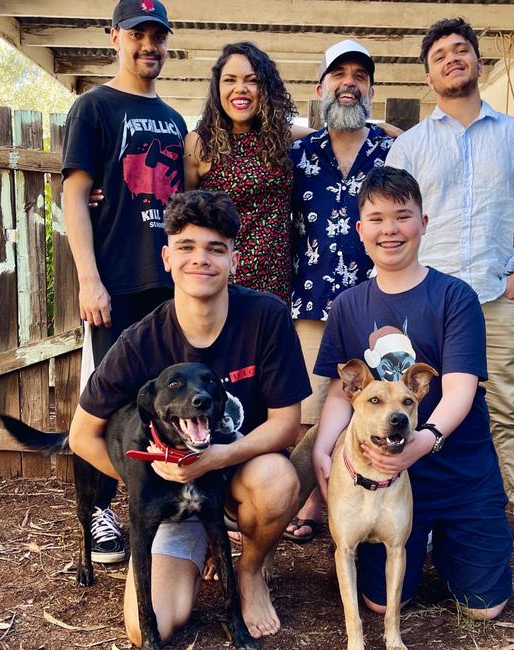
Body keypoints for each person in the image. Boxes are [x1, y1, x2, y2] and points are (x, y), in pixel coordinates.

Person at [385, 17, 514, 569]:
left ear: (478, 62)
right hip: (427, 300)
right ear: (428, 76)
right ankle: (420, 517)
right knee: (419, 407)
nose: (452, 59)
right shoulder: (410, 146)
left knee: (507, 409)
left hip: (493, 297)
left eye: (461, 51)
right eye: (440, 56)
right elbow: (390, 219)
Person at [68, 190, 311, 644]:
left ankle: (250, 572)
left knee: (278, 481)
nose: (201, 259)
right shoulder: (140, 341)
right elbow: (82, 436)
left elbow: (286, 426)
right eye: (186, 247)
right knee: (147, 630)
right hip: (171, 489)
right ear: (166, 257)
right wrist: (152, 481)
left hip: (238, 478)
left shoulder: (266, 317)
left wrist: (215, 460)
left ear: (234, 260)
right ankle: (195, 553)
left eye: (215, 249)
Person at [313, 165, 512, 618]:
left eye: (402, 216)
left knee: (484, 608)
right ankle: (394, 543)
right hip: (382, 482)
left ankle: (452, 538)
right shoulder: (347, 305)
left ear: (422, 223)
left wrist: (425, 441)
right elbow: (342, 393)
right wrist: (323, 451)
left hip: (458, 473)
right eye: (378, 218)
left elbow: (459, 389)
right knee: (381, 606)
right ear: (360, 229)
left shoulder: (454, 297)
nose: (390, 229)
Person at [62, 0, 186, 563]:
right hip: (116, 287)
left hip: (168, 288)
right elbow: (74, 194)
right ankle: (99, 514)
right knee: (113, 405)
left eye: (157, 36)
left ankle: (161, 500)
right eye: (137, 35)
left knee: (167, 402)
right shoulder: (93, 108)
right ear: (114, 37)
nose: (148, 46)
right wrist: (89, 279)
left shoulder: (175, 120)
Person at [286, 40, 396, 541]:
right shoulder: (298, 154)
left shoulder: (393, 150)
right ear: (320, 88)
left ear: (370, 88)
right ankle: (312, 501)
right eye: (338, 75)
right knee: (312, 413)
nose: (348, 82)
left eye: (359, 75)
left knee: (377, 404)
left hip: (378, 304)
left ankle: (373, 506)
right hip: (310, 302)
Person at [184, 42, 311, 304]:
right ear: (218, 87)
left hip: (276, 287)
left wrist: (379, 130)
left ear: (265, 89)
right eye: (230, 80)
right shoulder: (199, 144)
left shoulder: (281, 136)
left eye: (251, 81)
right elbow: (184, 220)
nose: (240, 89)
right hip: (222, 284)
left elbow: (332, 137)